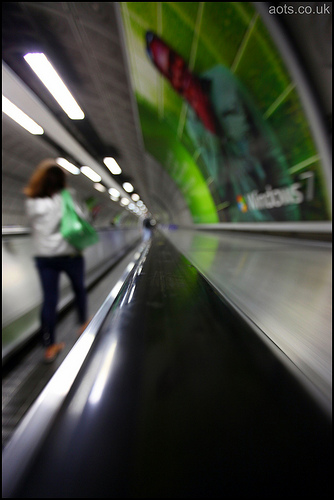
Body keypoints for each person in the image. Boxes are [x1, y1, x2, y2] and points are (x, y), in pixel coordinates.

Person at [24, 159, 90, 362]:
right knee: (79, 287)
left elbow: (32, 225)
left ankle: (50, 345)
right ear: (61, 181)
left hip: (44, 257)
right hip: (69, 255)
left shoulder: (32, 201)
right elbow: (83, 218)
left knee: (49, 300)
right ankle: (83, 325)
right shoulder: (66, 197)